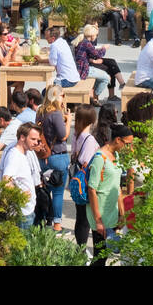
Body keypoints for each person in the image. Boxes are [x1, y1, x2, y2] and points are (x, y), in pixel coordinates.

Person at [87, 123, 132, 264]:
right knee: (100, 256)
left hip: (112, 213)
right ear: (118, 140)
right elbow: (92, 189)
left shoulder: (116, 156)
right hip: (100, 214)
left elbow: (117, 186)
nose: (129, 147)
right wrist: (98, 220)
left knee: (106, 254)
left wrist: (122, 213)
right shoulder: (100, 158)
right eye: (127, 143)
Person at [37, 85, 70, 231]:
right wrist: (68, 121)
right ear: (57, 97)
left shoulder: (40, 112)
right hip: (57, 156)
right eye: (63, 95)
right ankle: (57, 224)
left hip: (43, 156)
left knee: (45, 190)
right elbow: (63, 136)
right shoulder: (56, 114)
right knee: (58, 192)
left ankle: (44, 220)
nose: (64, 97)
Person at [0, 121, 43, 228]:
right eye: (33, 139)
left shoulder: (23, 154)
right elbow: (6, 181)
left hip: (26, 211)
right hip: (22, 213)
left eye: (37, 140)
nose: (36, 143)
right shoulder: (15, 156)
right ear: (22, 137)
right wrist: (19, 195)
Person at [69, 104, 100, 248]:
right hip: (85, 181)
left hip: (76, 178)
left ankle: (79, 248)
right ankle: (82, 250)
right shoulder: (89, 139)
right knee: (85, 219)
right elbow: (87, 162)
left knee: (80, 217)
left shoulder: (76, 135)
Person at [73, 24, 114, 101]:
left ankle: (93, 95)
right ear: (92, 35)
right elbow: (97, 55)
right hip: (84, 70)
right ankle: (95, 96)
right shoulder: (86, 43)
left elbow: (92, 52)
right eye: (96, 35)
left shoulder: (81, 40)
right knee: (107, 78)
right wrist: (104, 48)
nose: (96, 36)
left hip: (79, 68)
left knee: (101, 76)